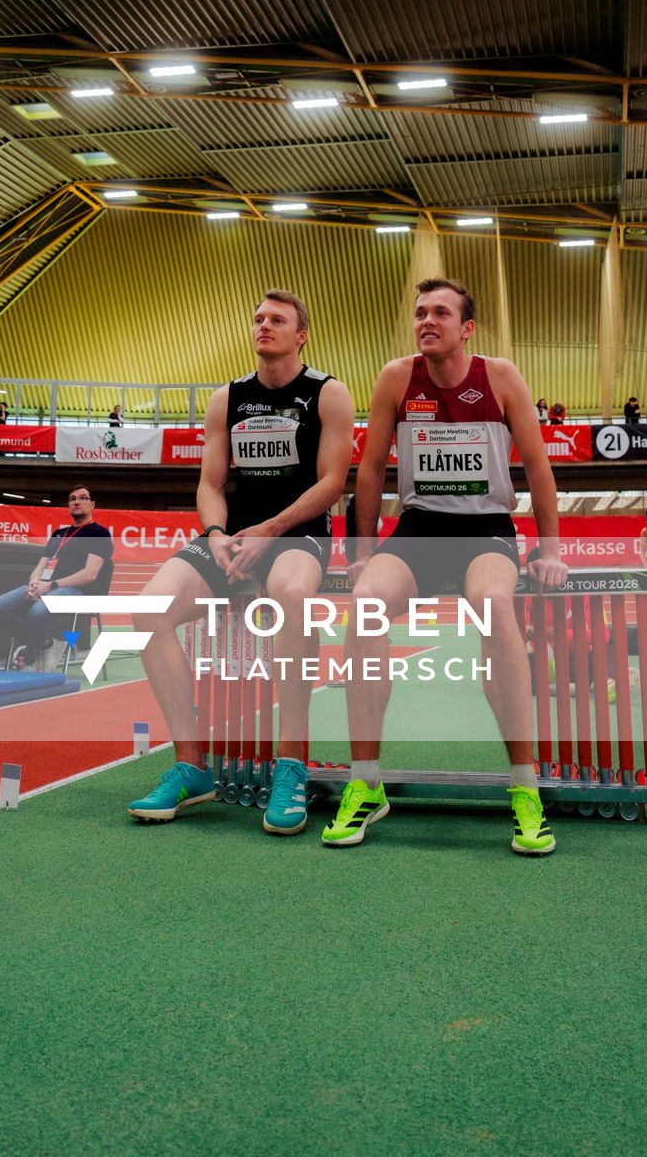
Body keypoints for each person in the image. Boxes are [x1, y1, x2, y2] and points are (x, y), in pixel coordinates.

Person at [326, 276, 567, 857]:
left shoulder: (501, 376)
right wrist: (362, 553)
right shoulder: (395, 378)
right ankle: (365, 781)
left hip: (485, 531)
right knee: (363, 610)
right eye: (419, 313)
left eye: (440, 313)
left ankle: (524, 788)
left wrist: (550, 548)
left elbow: (537, 467)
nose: (426, 321)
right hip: (418, 531)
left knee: (493, 606)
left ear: (467, 328)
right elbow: (369, 470)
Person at [127, 290, 354, 836]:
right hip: (233, 536)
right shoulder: (226, 398)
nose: (263, 326)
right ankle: (191, 767)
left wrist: (270, 531)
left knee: (293, 597)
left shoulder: (328, 394)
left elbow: (332, 483)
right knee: (146, 609)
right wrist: (217, 534)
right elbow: (210, 484)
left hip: (297, 535)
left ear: (301, 335)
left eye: (277, 320)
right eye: (258, 319)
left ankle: (291, 764)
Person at [0, 486, 114, 667]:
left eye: (83, 498)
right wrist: (34, 584)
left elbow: (90, 574)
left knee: (38, 611)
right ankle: (46, 643)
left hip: (80, 592)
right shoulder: (58, 534)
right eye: (72, 499)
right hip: (47, 588)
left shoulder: (99, 534)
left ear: (92, 504)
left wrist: (51, 585)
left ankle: (29, 660)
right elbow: (41, 566)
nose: (76, 502)